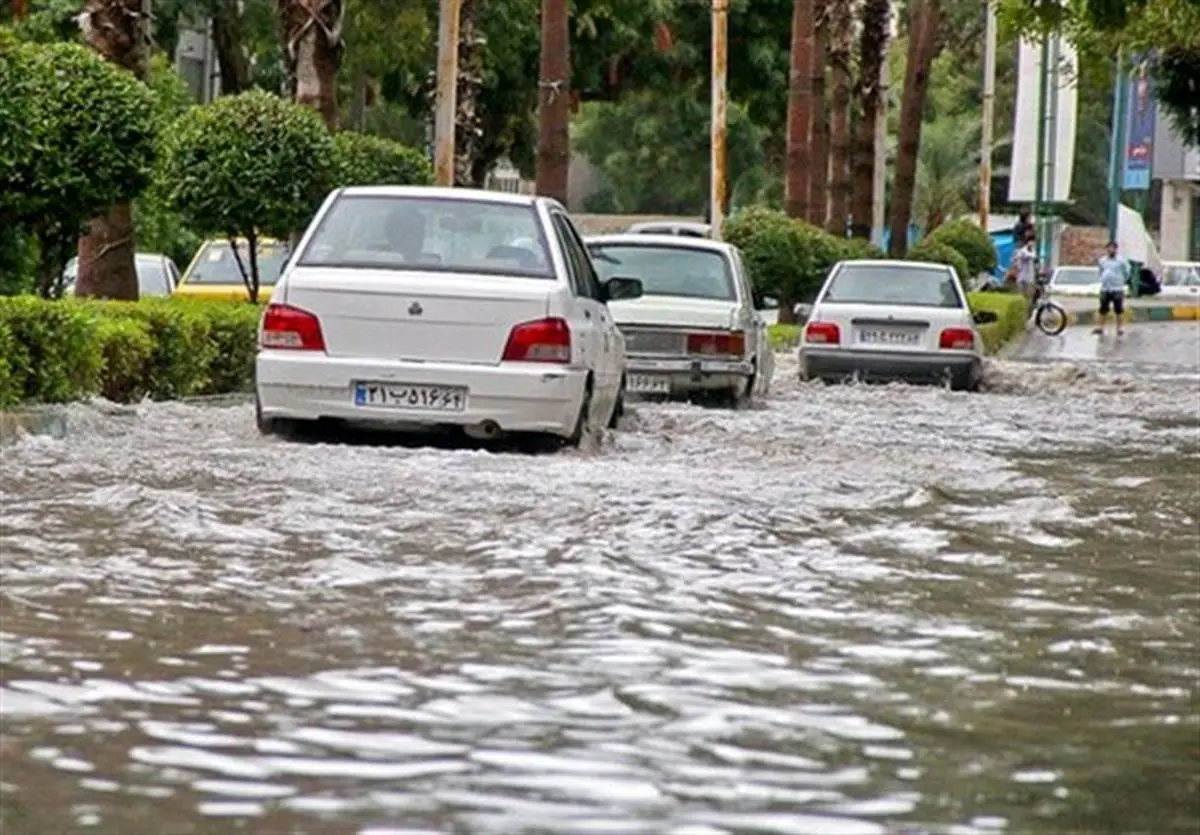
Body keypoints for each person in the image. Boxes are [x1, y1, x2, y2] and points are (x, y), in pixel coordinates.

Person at [1094, 239, 1130, 337]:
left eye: (1112, 248)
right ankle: (1100, 328)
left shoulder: (1121, 261)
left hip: (1117, 288)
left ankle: (1120, 328)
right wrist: (1103, 279)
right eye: (1108, 248)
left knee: (1118, 309)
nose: (1110, 250)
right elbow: (1101, 271)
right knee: (1103, 308)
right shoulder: (1102, 261)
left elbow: (1127, 272)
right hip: (1105, 288)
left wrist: (1120, 280)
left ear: (1116, 249)